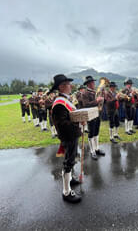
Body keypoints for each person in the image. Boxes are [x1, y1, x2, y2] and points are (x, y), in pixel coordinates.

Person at [51, 74, 82, 203]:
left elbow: (70, 116)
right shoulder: (59, 103)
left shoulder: (65, 100)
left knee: (72, 158)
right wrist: (78, 122)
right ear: (61, 87)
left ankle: (70, 179)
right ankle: (66, 192)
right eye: (68, 84)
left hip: (72, 134)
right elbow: (62, 124)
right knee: (68, 162)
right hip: (69, 136)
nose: (71, 86)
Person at [82, 75, 105, 160]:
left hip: (98, 114)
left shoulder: (96, 91)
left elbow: (101, 101)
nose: (93, 83)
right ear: (88, 84)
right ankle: (92, 151)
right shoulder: (84, 93)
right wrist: (97, 101)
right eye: (91, 82)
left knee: (96, 132)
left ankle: (97, 148)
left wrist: (102, 99)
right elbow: (86, 105)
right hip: (91, 115)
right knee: (91, 133)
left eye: (93, 82)